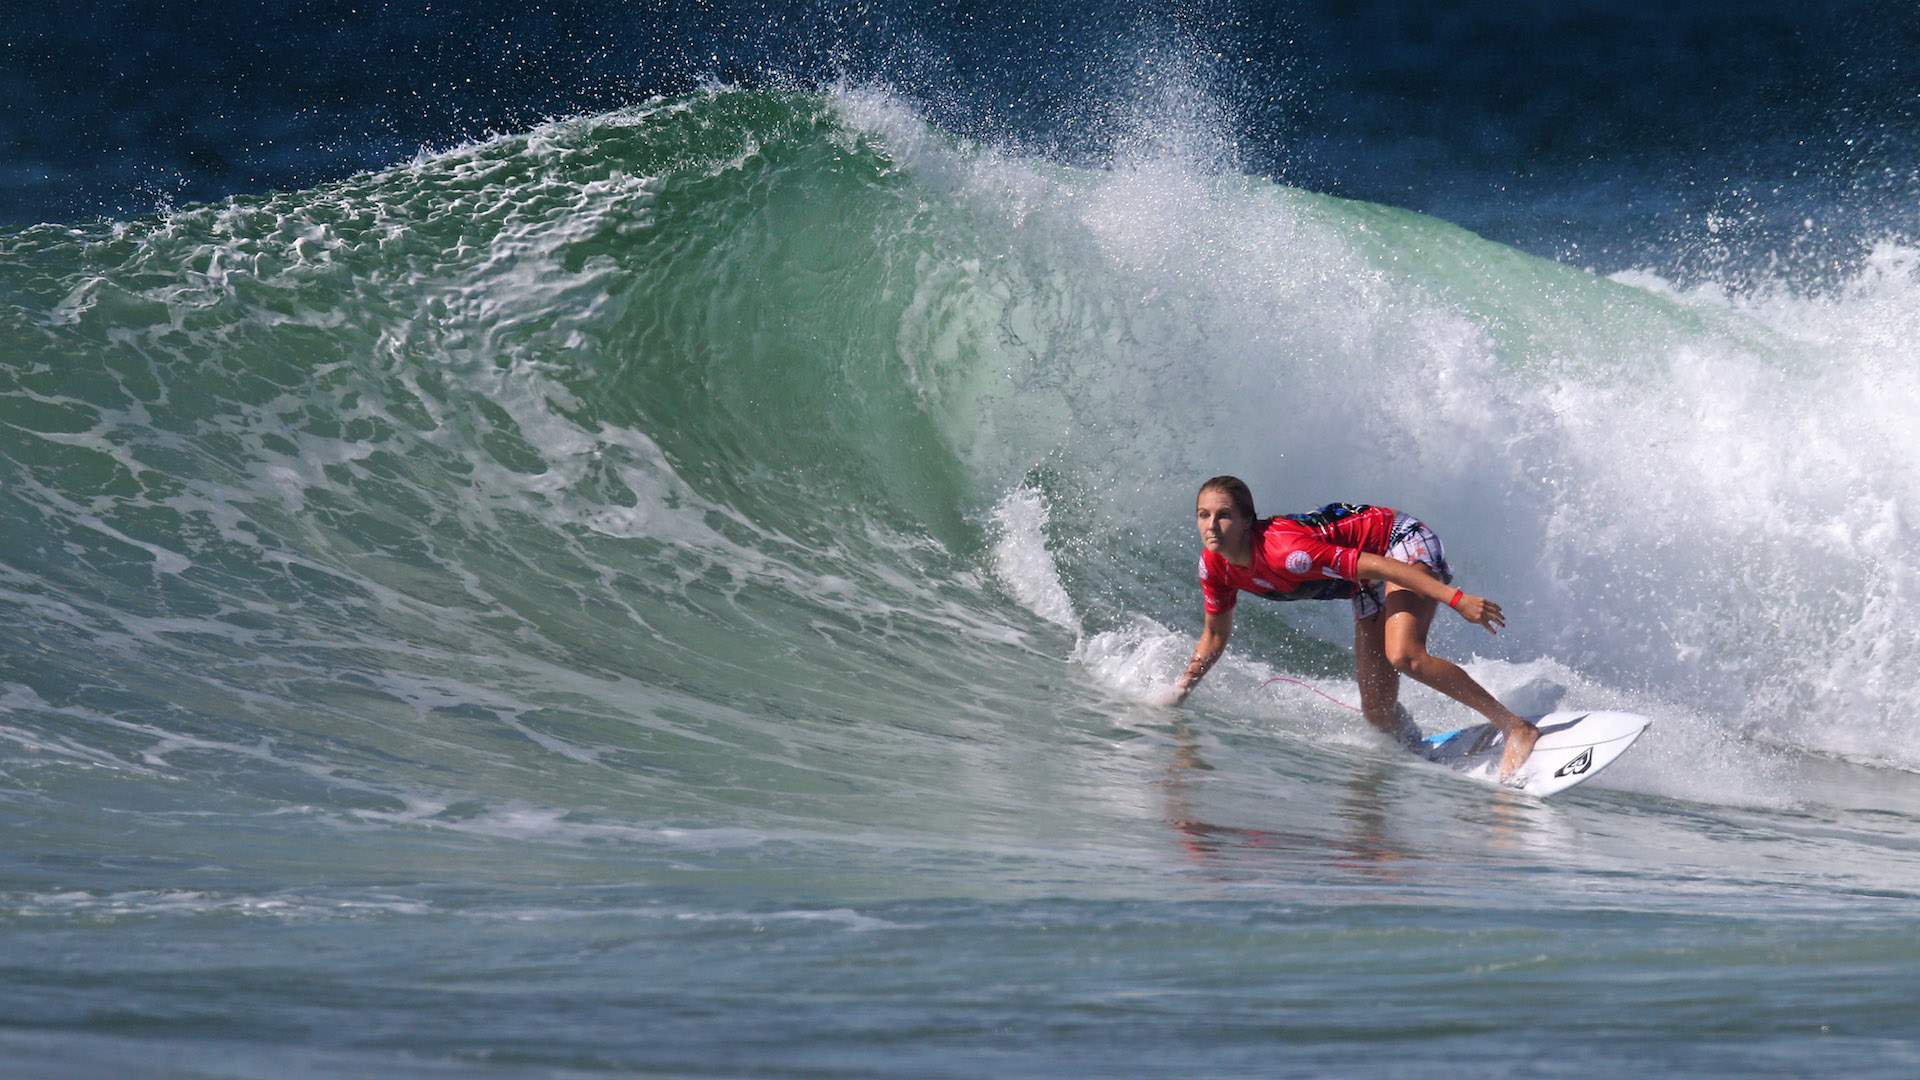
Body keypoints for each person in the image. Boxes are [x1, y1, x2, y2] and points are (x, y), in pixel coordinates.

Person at [1164, 475, 1540, 781]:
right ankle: (1417, 749)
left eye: (1224, 515)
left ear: (1247, 519)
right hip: (1366, 581)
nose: (1212, 526)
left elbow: (1379, 566)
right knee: (1377, 711)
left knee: (1404, 654)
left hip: (1399, 542)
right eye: (1203, 515)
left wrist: (1456, 600)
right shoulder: (1215, 566)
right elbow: (1214, 635)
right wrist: (1181, 690)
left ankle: (1516, 727)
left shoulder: (1286, 553)